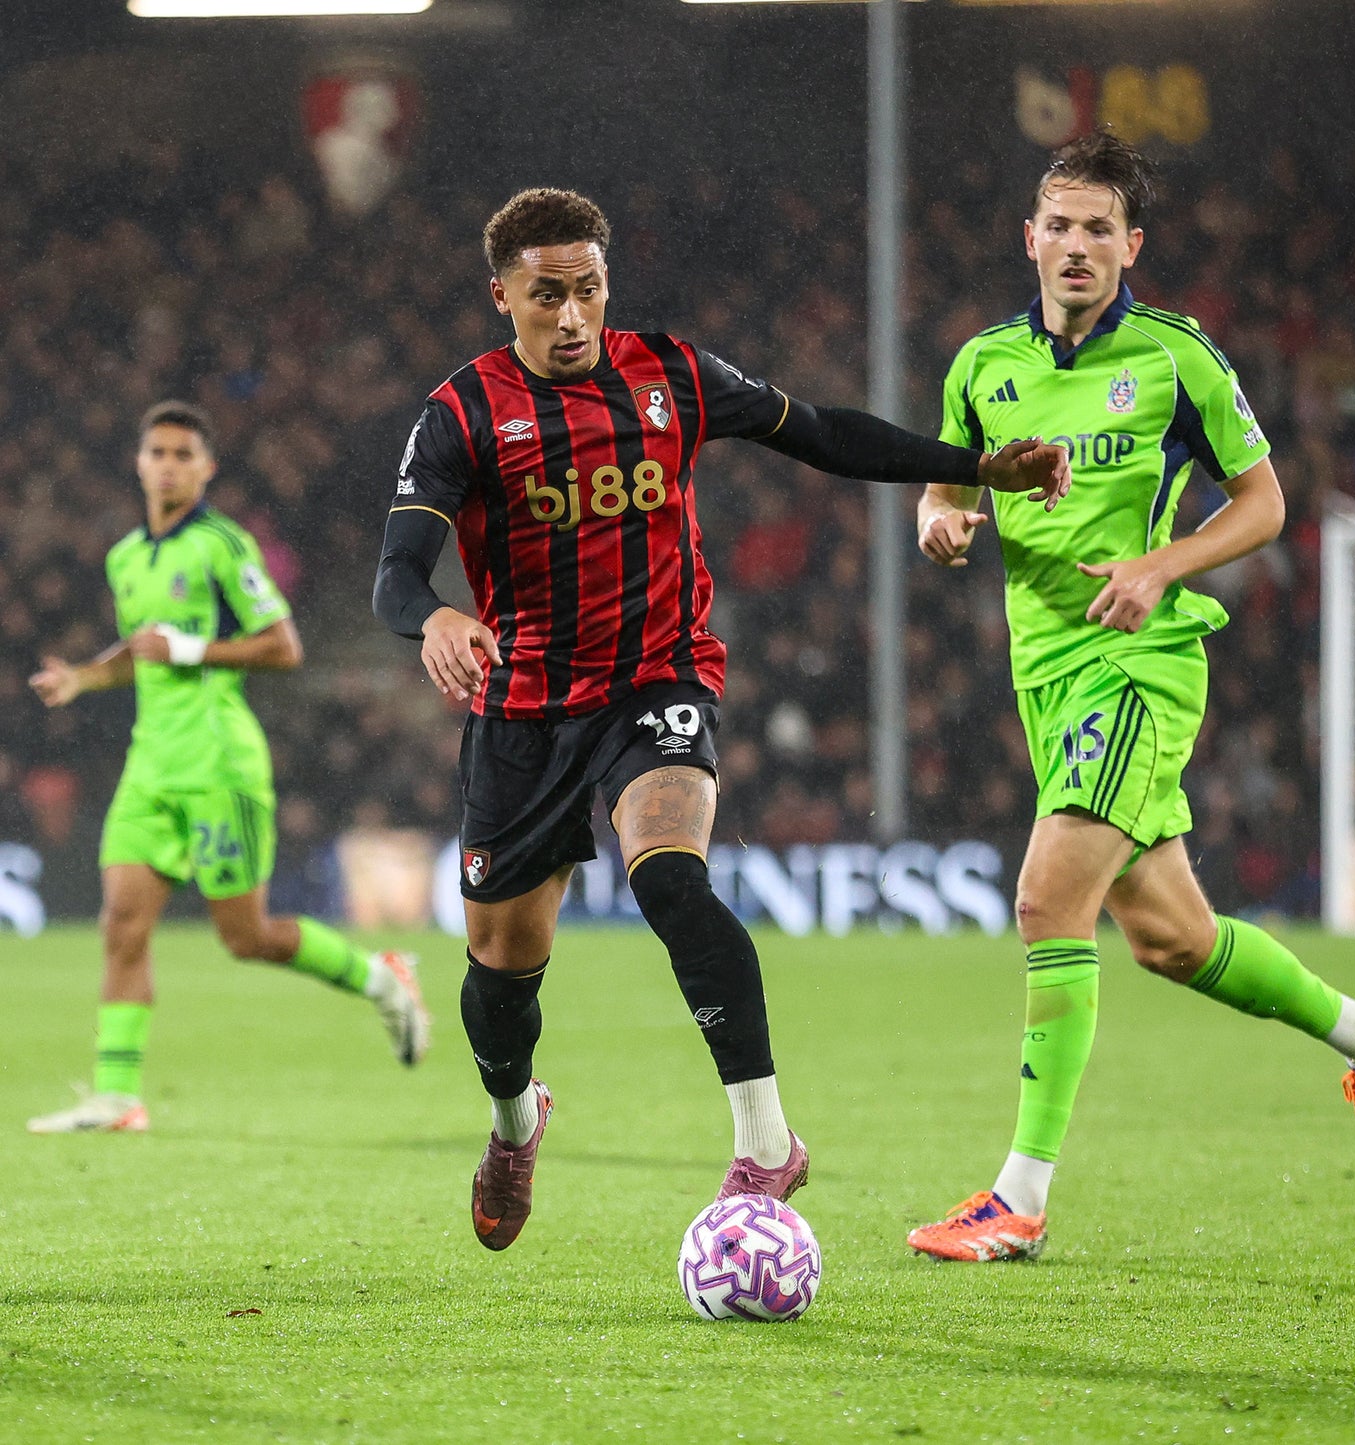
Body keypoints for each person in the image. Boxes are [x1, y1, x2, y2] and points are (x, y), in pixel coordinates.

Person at [372, 186, 1070, 1252]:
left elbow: (825, 436)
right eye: (545, 295)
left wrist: (973, 466)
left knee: (669, 876)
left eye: (588, 289)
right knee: (500, 977)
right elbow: (393, 572)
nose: (571, 316)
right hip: (524, 713)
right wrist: (431, 621)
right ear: (502, 296)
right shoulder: (461, 411)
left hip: (657, 681)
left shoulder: (672, 374)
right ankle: (516, 1121)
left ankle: (765, 1141)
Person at [907, 131, 1355, 1263]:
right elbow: (940, 490)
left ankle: (1018, 1198)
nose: (1077, 244)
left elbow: (1264, 503)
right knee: (1172, 940)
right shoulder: (979, 364)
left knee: (1048, 902)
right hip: (1044, 673)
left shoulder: (1176, 357)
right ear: (1027, 238)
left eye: (1101, 227)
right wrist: (939, 523)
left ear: (1129, 244)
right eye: (1060, 223)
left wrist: (1158, 565)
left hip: (1141, 664)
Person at [27, 401, 429, 1135]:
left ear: (206, 468)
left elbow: (283, 646)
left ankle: (381, 976)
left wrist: (190, 650)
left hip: (219, 764)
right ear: (139, 462)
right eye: (159, 452)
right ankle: (118, 1096)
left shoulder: (222, 544)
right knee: (121, 923)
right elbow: (141, 650)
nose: (170, 464)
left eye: (185, 454)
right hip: (151, 767)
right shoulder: (125, 557)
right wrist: (85, 678)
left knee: (246, 937)